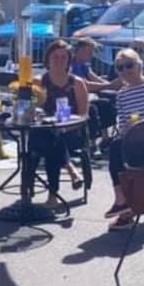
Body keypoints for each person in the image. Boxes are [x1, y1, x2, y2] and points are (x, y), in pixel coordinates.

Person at [105, 48, 144, 230]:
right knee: (116, 147)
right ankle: (123, 202)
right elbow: (123, 122)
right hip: (132, 139)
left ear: (139, 65)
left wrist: (143, 124)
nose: (125, 71)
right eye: (120, 68)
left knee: (118, 149)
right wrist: (129, 129)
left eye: (129, 65)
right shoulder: (122, 94)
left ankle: (124, 204)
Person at [25, 39, 89, 209]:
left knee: (55, 137)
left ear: (69, 60)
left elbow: (84, 114)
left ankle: (53, 195)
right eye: (56, 57)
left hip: (71, 130)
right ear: (48, 59)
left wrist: (68, 124)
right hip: (43, 131)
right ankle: (69, 169)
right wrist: (35, 111)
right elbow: (28, 110)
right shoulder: (39, 82)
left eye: (63, 57)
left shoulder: (77, 83)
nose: (59, 60)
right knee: (50, 135)